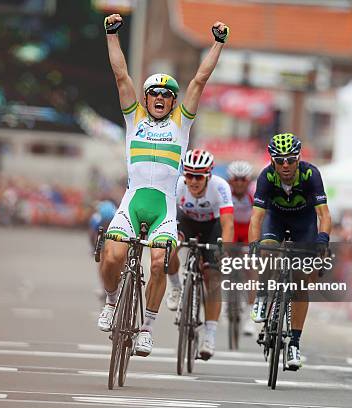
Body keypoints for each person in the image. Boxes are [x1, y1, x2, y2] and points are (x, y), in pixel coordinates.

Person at [97, 13, 229, 357]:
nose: (159, 97)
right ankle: (111, 303)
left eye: (166, 94)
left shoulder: (181, 124)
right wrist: (112, 35)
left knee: (158, 263)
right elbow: (120, 74)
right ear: (145, 98)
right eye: (153, 93)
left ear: (172, 101)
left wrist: (217, 42)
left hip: (164, 210)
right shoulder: (134, 117)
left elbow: (199, 80)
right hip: (132, 202)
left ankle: (147, 328)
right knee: (111, 258)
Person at [248, 133, 331, 370]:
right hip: (275, 220)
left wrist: (323, 239)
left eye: (291, 160)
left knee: (301, 283)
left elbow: (324, 214)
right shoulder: (266, 176)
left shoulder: (311, 174)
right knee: (268, 252)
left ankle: (294, 342)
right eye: (280, 160)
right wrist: (255, 244)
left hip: (303, 224)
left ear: (298, 159)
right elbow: (257, 217)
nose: (286, 165)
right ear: (272, 160)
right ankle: (263, 295)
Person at [166, 149, 234, 360]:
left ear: (208, 176)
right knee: (168, 249)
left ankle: (210, 335)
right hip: (185, 221)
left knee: (213, 277)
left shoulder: (220, 187)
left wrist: (225, 248)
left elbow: (228, 222)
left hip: (212, 227)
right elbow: (168, 215)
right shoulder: (177, 185)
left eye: (198, 176)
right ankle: (176, 287)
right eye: (189, 175)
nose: (193, 181)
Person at [226, 161, 258, 336]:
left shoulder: (254, 192)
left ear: (248, 180)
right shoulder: (225, 191)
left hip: (248, 230)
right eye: (235, 179)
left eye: (243, 179)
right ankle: (228, 301)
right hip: (231, 227)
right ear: (230, 180)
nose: (239, 183)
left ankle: (249, 317)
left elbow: (262, 217)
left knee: (252, 269)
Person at [89, 200, 118, 303]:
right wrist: (95, 249)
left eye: (108, 222)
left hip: (115, 235)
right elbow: (92, 236)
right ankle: (104, 288)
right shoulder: (96, 220)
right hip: (101, 237)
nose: (106, 224)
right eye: (105, 223)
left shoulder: (116, 217)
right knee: (102, 263)